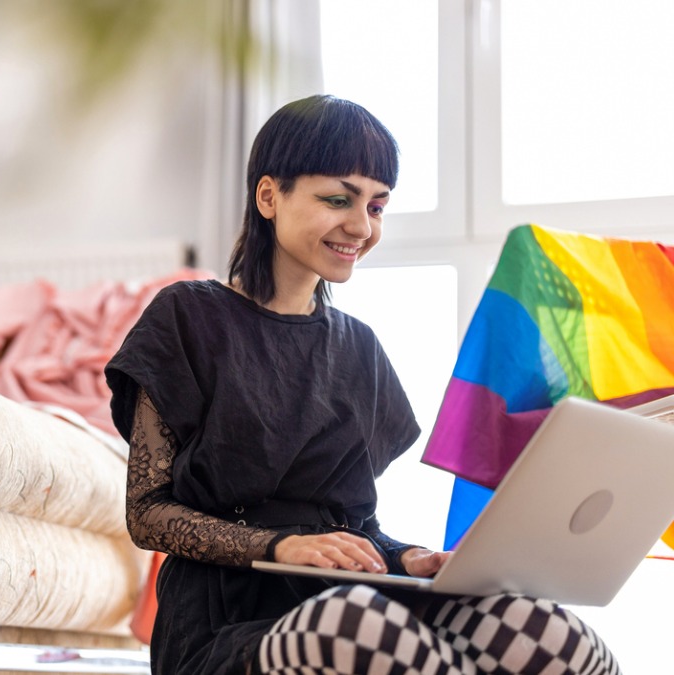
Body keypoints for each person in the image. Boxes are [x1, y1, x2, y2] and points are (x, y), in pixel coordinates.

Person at [104, 95, 620, 675]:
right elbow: (147, 513)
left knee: (544, 629)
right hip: (225, 619)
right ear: (269, 196)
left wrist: (409, 557)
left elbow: (352, 527)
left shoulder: (360, 348)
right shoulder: (186, 316)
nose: (361, 226)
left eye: (376, 206)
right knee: (360, 626)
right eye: (338, 199)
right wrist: (279, 546)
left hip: (342, 601)